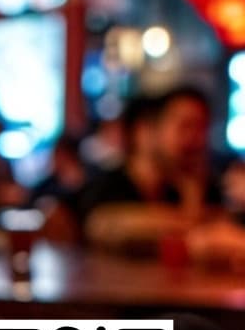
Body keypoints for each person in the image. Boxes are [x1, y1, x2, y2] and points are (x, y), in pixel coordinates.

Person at [82, 88, 223, 249]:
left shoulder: (204, 186)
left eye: (202, 128)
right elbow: (100, 225)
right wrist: (192, 221)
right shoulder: (107, 186)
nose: (196, 139)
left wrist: (193, 193)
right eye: (185, 126)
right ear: (146, 131)